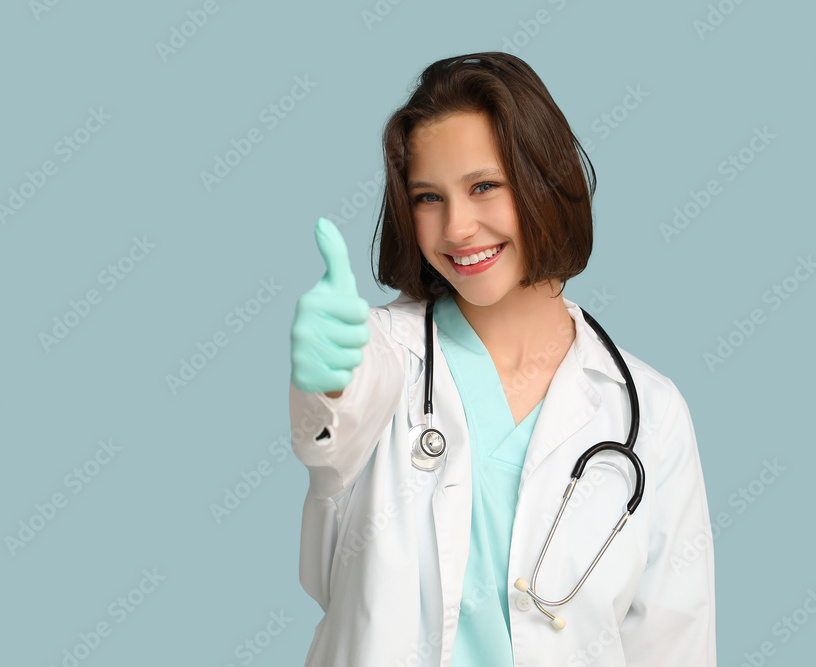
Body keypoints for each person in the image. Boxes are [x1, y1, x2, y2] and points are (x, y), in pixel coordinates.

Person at [287, 52, 716, 666]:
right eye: (428, 197)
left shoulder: (648, 412)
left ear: (546, 180)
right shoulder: (383, 354)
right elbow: (332, 426)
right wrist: (329, 379)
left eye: (484, 186)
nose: (457, 227)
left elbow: (674, 644)